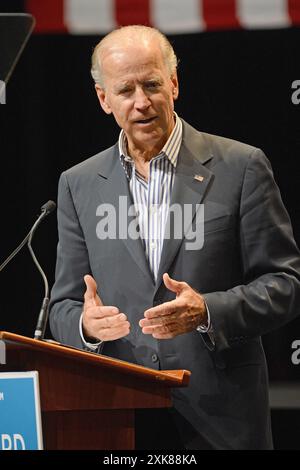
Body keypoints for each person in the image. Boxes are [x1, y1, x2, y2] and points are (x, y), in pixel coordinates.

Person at [49, 25, 300, 450]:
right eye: (125, 90)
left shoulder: (242, 167)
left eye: (151, 84)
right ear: (103, 99)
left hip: (221, 415)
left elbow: (285, 286)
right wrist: (85, 326)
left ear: (174, 84)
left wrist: (208, 311)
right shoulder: (79, 183)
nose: (142, 102)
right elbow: (63, 305)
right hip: (119, 415)